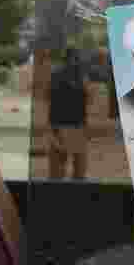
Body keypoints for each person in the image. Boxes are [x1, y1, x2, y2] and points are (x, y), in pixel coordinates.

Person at [48, 48, 89, 180]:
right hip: (76, 124)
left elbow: (47, 96)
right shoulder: (81, 76)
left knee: (58, 168)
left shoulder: (55, 74)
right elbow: (88, 97)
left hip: (60, 124)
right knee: (78, 166)